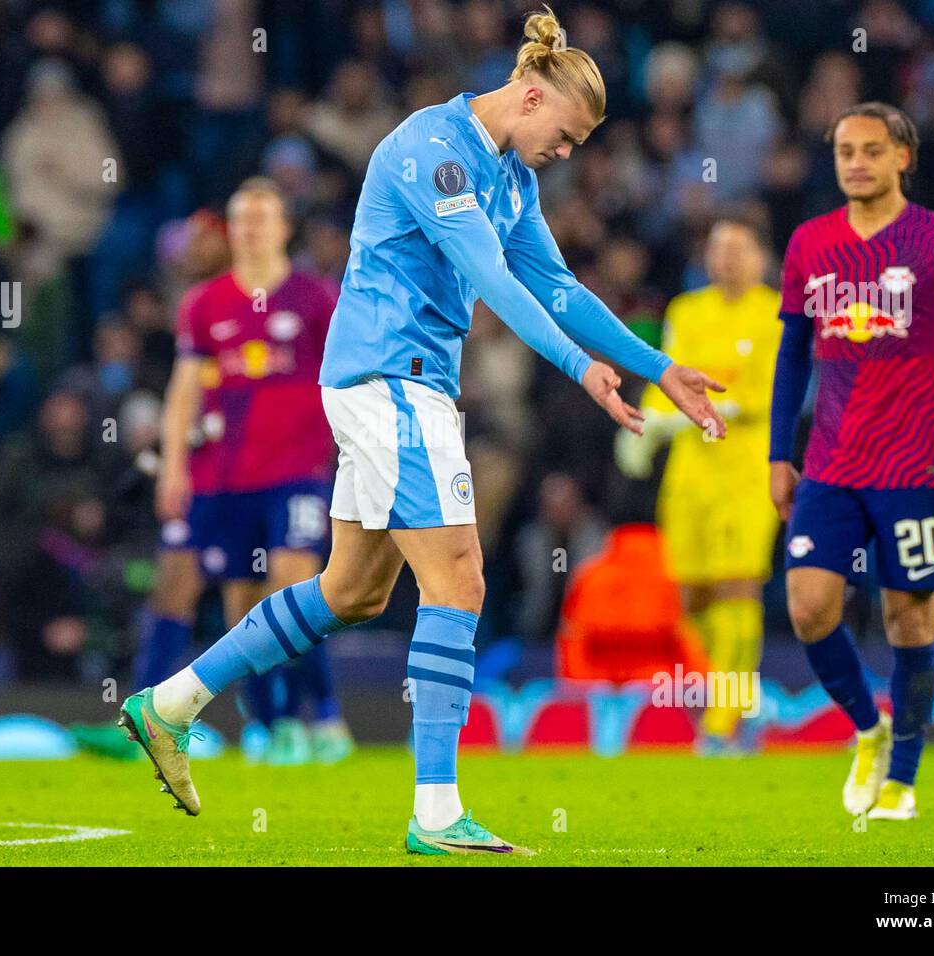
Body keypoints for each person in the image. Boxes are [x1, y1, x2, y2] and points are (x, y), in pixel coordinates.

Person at [119, 6, 725, 855]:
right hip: (390, 382)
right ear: (529, 94)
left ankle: (169, 703)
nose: (567, 153)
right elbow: (493, 281)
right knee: (460, 582)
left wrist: (656, 364)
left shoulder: (512, 178)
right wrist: (578, 369)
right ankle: (436, 813)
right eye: (567, 135)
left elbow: (555, 289)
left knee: (351, 593)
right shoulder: (431, 150)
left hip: (403, 385)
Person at [769, 102, 934, 821]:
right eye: (844, 151)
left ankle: (902, 779)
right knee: (807, 607)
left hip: (914, 464)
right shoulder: (810, 243)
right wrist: (781, 453)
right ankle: (866, 729)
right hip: (831, 463)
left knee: (909, 621)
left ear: (904, 157)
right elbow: (793, 354)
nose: (855, 163)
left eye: (871, 150)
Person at [133, 176, 352, 764]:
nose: (252, 228)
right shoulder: (204, 304)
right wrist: (173, 465)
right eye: (242, 218)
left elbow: (344, 375)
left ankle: (325, 713)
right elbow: (184, 389)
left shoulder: (316, 298)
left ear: (285, 228)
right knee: (242, 608)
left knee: (295, 587)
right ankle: (272, 722)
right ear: (231, 230)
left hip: (298, 471)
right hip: (227, 478)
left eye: (264, 217)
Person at [618, 217, 781, 754]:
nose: (727, 259)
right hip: (690, 476)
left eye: (738, 248)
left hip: (743, 472)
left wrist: (715, 407)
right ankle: (737, 694)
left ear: (760, 257)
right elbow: (668, 379)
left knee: (738, 584)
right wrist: (645, 425)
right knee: (692, 597)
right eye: (718, 248)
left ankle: (723, 720)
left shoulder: (773, 315)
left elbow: (768, 393)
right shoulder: (687, 312)